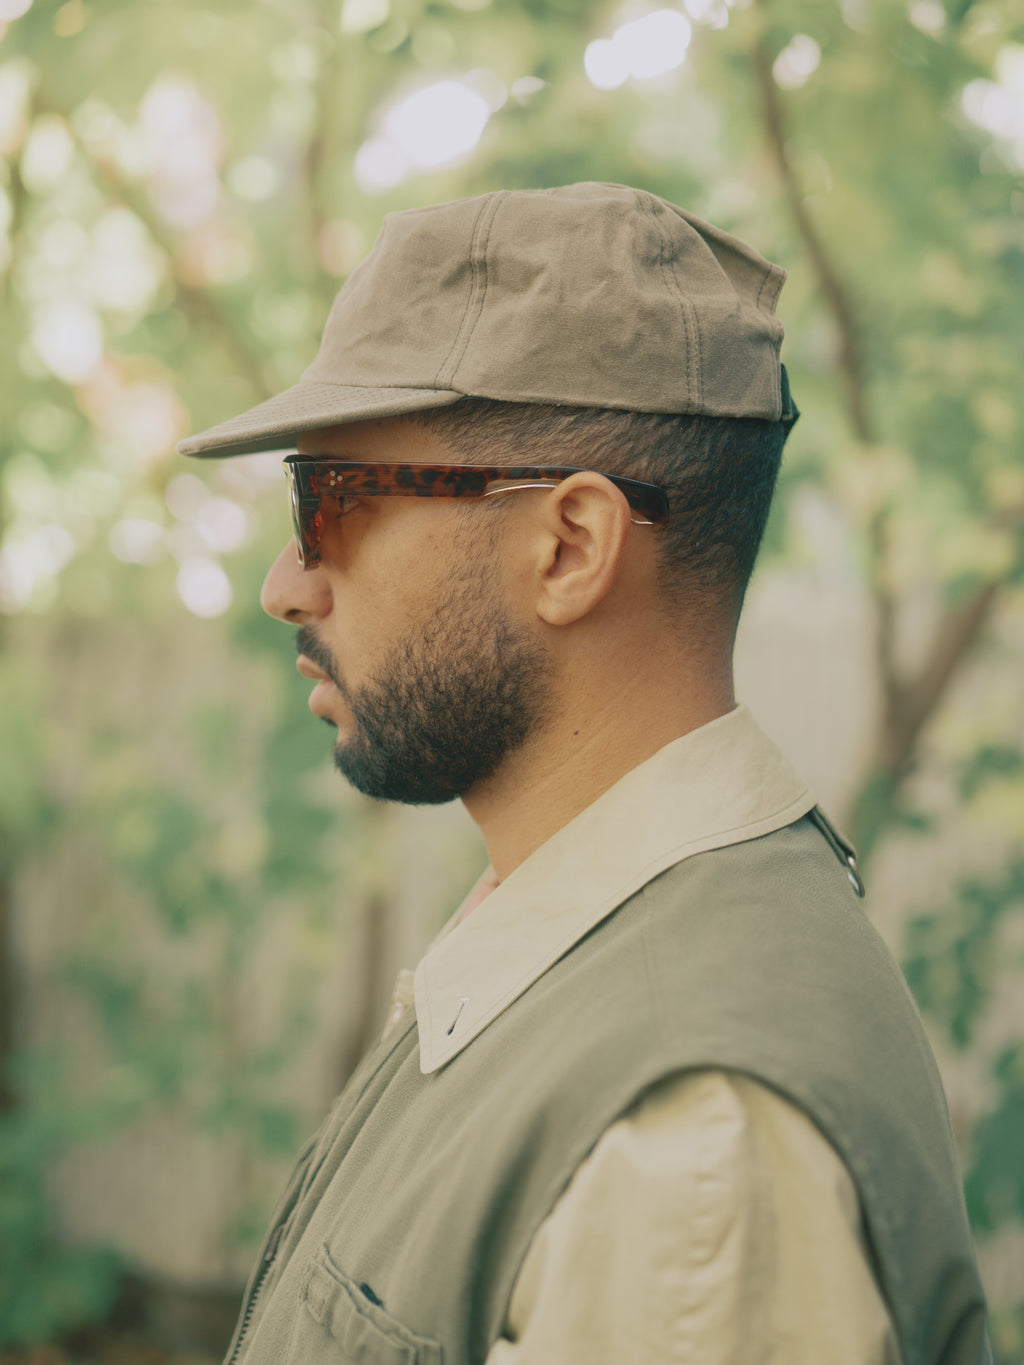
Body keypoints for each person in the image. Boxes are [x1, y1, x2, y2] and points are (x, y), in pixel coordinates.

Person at [179, 183, 990, 1365]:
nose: (286, 583)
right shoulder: (576, 934)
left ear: (568, 546)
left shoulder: (692, 1154)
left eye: (332, 500)